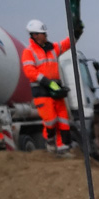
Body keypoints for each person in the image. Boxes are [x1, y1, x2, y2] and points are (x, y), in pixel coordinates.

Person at [20, 19, 71, 152]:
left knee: (63, 120)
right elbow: (30, 72)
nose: (46, 35)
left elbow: (68, 43)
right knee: (51, 120)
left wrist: (75, 33)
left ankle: (63, 148)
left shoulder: (52, 48)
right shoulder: (29, 52)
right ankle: (50, 143)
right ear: (35, 35)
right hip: (41, 91)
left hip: (55, 90)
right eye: (43, 33)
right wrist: (47, 82)